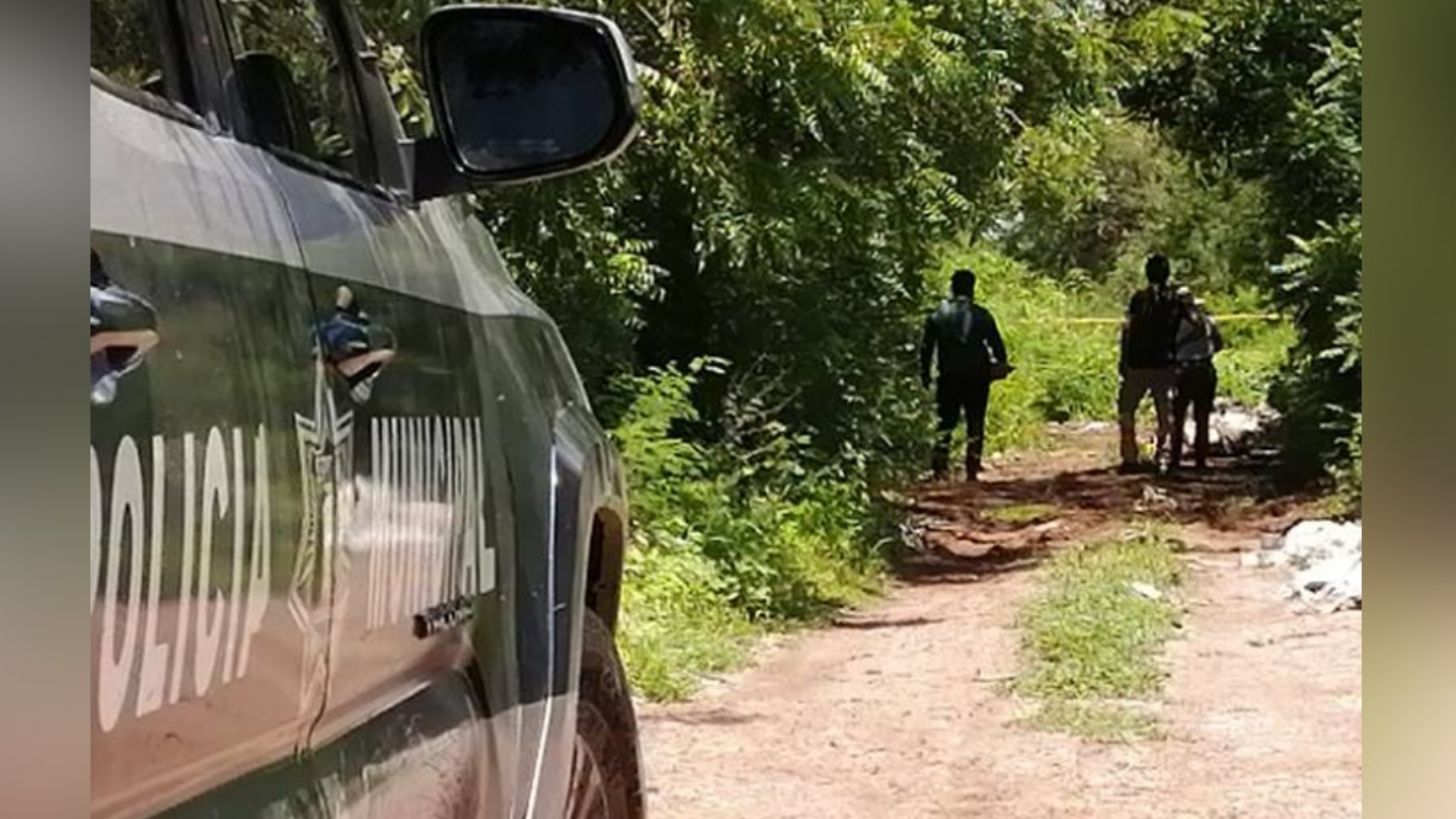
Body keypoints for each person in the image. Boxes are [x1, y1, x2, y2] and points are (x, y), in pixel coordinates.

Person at [920, 268, 1010, 481]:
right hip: (977, 376)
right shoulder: (982, 315)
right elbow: (997, 346)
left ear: (952, 287)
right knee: (975, 419)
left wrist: (925, 373)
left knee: (945, 421)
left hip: (949, 375)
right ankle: (972, 467)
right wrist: (1000, 365)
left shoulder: (938, 314)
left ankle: (939, 468)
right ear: (972, 288)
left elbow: (926, 348)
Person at [1117, 254, 1182, 473]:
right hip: (1165, 362)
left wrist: (1124, 359)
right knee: (1165, 412)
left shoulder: (1139, 299)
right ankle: (1162, 455)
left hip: (1138, 362)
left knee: (1126, 409)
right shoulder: (1174, 300)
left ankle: (1130, 456)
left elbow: (1128, 330)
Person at [1170, 287, 1224, 470]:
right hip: (1205, 369)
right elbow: (1219, 344)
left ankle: (1175, 460)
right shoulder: (1207, 320)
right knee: (1202, 418)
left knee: (1178, 418)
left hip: (1183, 371)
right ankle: (1201, 460)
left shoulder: (1172, 323)